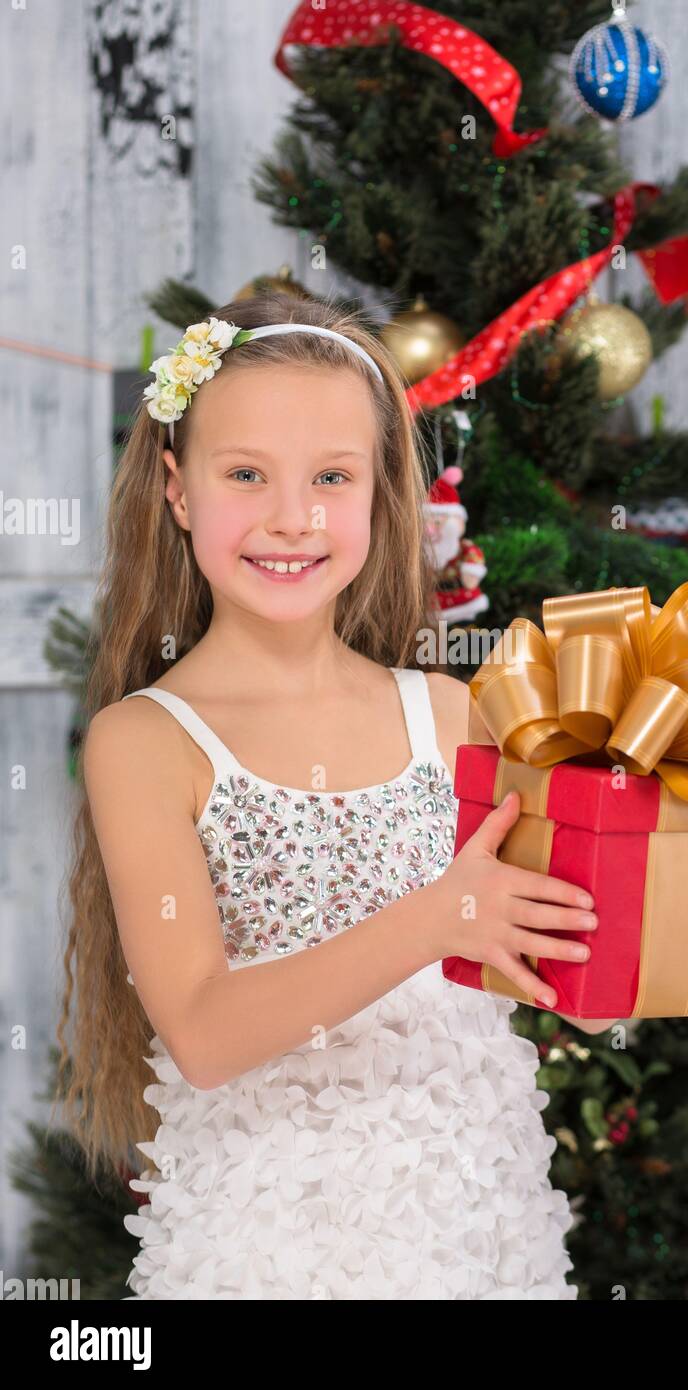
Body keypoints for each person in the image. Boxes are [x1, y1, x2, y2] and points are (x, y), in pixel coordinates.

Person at [57, 291, 613, 1300]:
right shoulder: (144, 741)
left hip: (475, 1227)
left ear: (375, 494)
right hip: (269, 1245)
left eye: (330, 476)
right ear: (177, 489)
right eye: (245, 475)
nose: (290, 516)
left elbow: (535, 938)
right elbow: (206, 1031)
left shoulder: (447, 713)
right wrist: (435, 917)